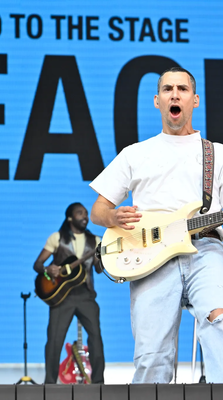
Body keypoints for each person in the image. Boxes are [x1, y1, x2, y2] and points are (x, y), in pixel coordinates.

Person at [90, 67, 223, 383]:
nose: (175, 94)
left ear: (195, 100)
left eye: (182, 89)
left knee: (220, 325)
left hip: (205, 248)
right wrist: (113, 217)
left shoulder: (217, 154)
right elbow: (98, 210)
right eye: (167, 89)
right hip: (149, 255)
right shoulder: (136, 154)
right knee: (152, 357)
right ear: (157, 100)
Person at [34, 202, 105, 384]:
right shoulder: (57, 238)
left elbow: (98, 270)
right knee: (54, 340)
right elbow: (37, 264)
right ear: (70, 218)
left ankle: (98, 383)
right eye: (80, 213)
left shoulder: (96, 241)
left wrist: (103, 257)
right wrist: (48, 269)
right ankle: (50, 384)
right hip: (61, 296)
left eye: (86, 213)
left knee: (95, 337)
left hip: (85, 295)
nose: (85, 216)